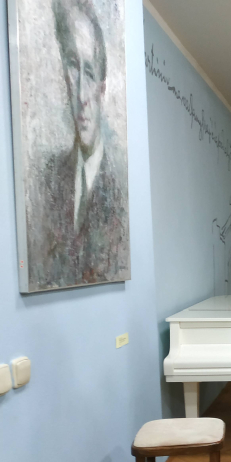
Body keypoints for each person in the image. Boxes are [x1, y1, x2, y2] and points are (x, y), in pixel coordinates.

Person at [29, 0, 128, 289]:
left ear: (102, 88)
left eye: (90, 73)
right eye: (73, 66)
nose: (82, 95)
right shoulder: (47, 178)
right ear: (64, 74)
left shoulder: (122, 186)